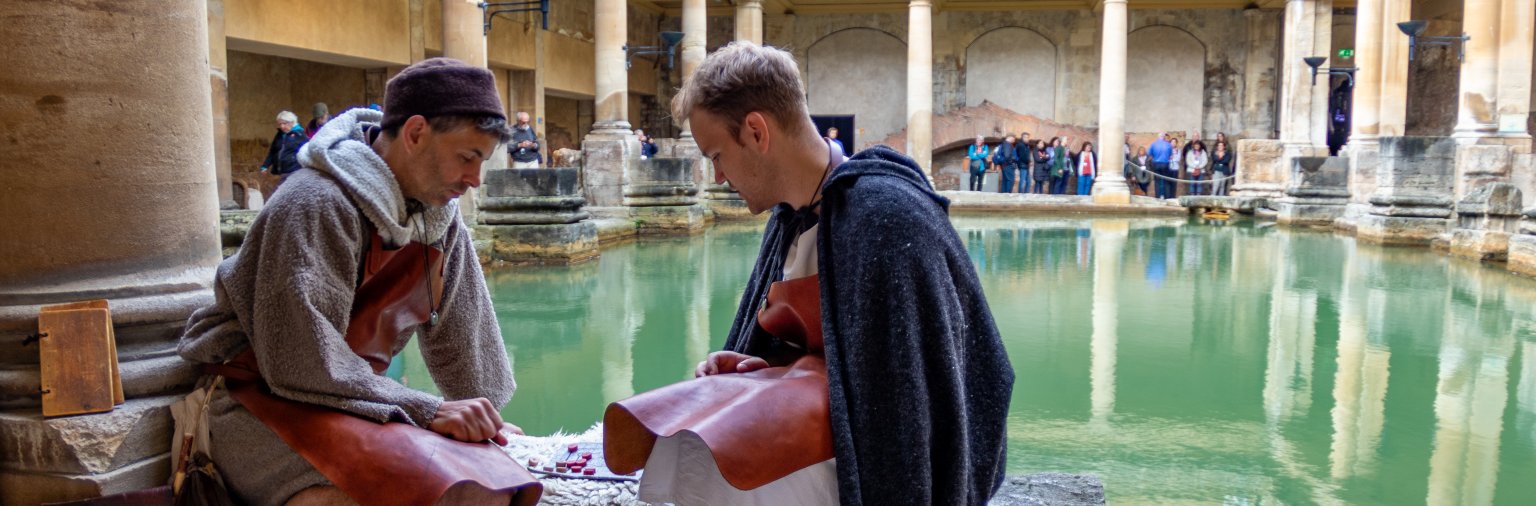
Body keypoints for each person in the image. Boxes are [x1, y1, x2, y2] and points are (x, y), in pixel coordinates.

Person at [605, 41, 1013, 506]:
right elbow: (834, 353)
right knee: (683, 443)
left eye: (716, 154)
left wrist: (794, 383)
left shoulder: (888, 219)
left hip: (880, 461)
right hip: (826, 428)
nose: (717, 177)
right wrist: (760, 369)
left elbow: (910, 402)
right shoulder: (789, 217)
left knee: (709, 468)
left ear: (757, 131)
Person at [178, 58, 537, 506]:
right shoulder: (315, 202)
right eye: (467, 157)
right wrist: (429, 410)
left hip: (355, 400)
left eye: (481, 162)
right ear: (416, 133)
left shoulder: (440, 216)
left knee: (493, 490)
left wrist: (486, 421)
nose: (474, 180)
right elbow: (298, 358)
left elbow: (466, 333)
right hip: (256, 398)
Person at [259, 111, 307, 178]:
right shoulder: (279, 134)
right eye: (280, 124)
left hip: (294, 172)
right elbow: (273, 151)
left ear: (292, 122)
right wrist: (265, 166)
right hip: (280, 172)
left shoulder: (300, 134)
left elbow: (307, 152)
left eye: (284, 123)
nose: (281, 126)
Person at [1147, 132, 1173, 199]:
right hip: (1165, 164)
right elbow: (1170, 155)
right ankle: (1167, 198)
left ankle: (1158, 197)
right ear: (1164, 137)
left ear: (1158, 137)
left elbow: (1149, 154)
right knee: (1166, 181)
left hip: (1156, 164)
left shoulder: (1153, 144)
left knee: (1157, 182)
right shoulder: (1168, 145)